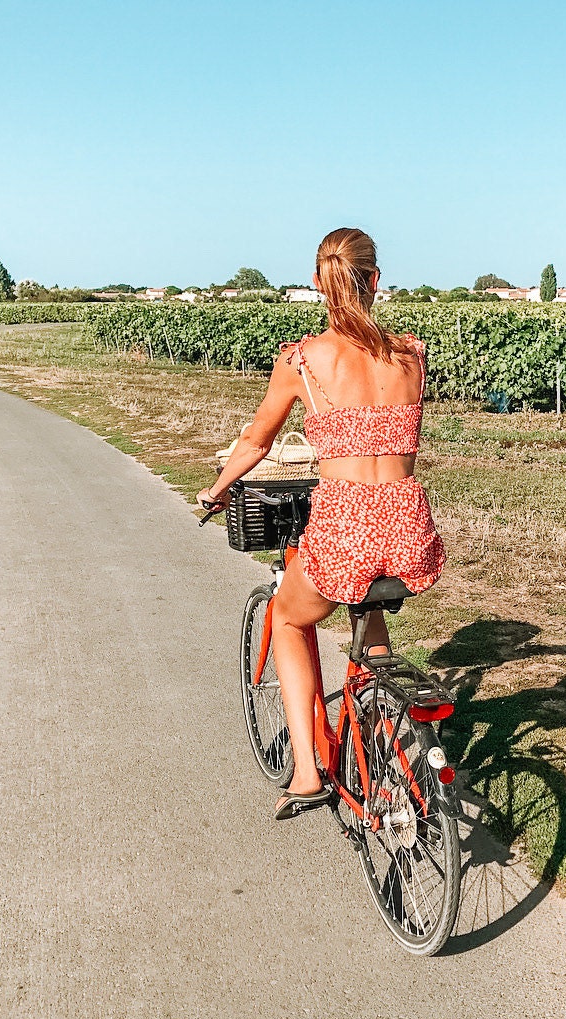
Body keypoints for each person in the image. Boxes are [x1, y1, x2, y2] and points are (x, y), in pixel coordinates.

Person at [197, 227, 445, 820]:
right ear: (377, 280)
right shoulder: (413, 353)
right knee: (370, 603)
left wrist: (217, 488)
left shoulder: (302, 359)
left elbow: (258, 440)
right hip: (408, 523)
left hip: (344, 526)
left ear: (316, 284)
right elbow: (384, 431)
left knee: (286, 614)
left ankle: (308, 772)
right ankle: (377, 706)